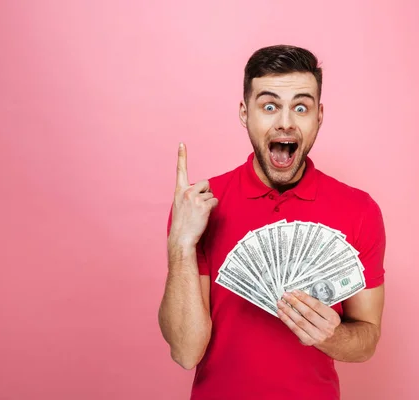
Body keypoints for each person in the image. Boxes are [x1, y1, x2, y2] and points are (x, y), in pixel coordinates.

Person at [159, 44, 387, 400]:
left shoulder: (359, 210)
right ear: (244, 113)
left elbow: (367, 340)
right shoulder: (200, 206)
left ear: (319, 116)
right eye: (269, 106)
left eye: (301, 107)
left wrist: (333, 335)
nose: (285, 121)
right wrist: (181, 244)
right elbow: (186, 352)